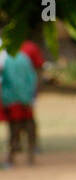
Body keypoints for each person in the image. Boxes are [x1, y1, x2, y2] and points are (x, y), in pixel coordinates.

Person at [0, 40, 44, 168]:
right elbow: (32, 78)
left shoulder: (7, 61)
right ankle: (31, 157)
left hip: (12, 100)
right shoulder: (25, 59)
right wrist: (30, 97)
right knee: (29, 127)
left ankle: (11, 159)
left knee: (14, 130)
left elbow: (4, 82)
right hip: (26, 100)